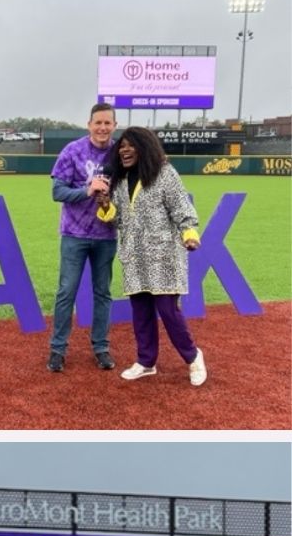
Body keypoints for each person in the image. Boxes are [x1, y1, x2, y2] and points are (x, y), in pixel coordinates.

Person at [96, 126, 207, 386]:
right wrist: (105, 207)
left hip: (163, 255)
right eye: (121, 146)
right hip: (134, 256)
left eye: (130, 145)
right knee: (141, 311)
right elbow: (120, 219)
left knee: (168, 310)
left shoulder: (165, 174)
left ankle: (193, 357)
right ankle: (146, 362)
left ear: (144, 147)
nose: (124, 150)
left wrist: (189, 234)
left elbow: (181, 207)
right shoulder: (121, 181)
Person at [47, 103, 118, 373]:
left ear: (114, 125)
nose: (102, 128)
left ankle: (101, 348)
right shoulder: (73, 150)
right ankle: (57, 349)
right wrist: (87, 190)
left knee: (103, 293)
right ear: (89, 125)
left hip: (106, 235)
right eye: (97, 123)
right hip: (74, 234)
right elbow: (57, 192)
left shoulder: (119, 152)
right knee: (67, 292)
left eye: (107, 123)